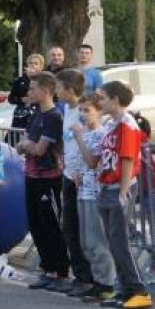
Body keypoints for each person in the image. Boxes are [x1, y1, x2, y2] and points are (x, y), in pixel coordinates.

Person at [74, 81, 151, 309]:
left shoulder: (127, 125)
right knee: (112, 241)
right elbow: (96, 158)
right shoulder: (111, 124)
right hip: (106, 186)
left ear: (116, 100)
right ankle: (124, 289)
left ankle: (138, 289)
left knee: (119, 242)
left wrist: (124, 191)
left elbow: (128, 158)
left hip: (119, 186)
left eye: (103, 98)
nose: (100, 102)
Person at [17, 72, 71, 290]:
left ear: (45, 91)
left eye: (33, 89)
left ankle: (61, 271)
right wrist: (27, 145)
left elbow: (39, 148)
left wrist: (28, 145)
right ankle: (48, 268)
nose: (29, 92)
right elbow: (24, 143)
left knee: (50, 225)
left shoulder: (53, 117)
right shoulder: (36, 115)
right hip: (31, 175)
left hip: (48, 177)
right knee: (36, 224)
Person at [71, 95, 115, 303]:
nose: (82, 114)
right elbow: (83, 163)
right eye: (80, 110)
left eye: (87, 110)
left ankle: (107, 283)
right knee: (86, 241)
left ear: (99, 111)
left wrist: (79, 137)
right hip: (84, 191)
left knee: (97, 240)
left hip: (96, 193)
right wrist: (77, 174)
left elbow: (92, 161)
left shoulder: (99, 134)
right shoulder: (87, 133)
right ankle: (98, 281)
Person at [55, 69, 95, 296]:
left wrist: (80, 170)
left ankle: (88, 277)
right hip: (69, 174)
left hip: (81, 177)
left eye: (59, 87)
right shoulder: (68, 110)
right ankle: (79, 274)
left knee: (82, 228)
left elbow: (87, 142)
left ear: (70, 90)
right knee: (69, 226)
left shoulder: (83, 111)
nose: (56, 92)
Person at [8, 53, 44, 132]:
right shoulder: (19, 80)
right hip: (21, 116)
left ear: (41, 67)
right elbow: (10, 99)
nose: (33, 66)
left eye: (36, 63)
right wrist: (21, 100)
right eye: (30, 63)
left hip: (37, 113)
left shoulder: (44, 81)